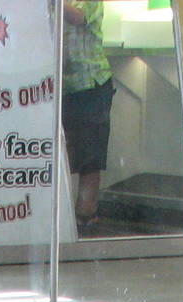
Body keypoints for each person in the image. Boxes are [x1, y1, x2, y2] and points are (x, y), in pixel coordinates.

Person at [62, 1, 115, 235]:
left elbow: (78, 17)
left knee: (89, 157)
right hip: (58, 84)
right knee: (63, 155)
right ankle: (64, 221)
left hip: (90, 83)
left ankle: (86, 217)